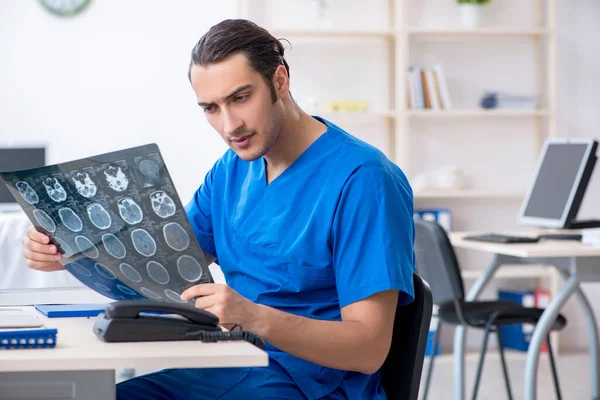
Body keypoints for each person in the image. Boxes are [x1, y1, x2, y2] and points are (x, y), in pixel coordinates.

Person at [21, 19, 415, 400]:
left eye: (241, 98)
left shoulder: (364, 179)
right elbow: (166, 260)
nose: (230, 125)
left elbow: (368, 350)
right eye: (210, 108)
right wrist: (70, 250)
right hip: (226, 362)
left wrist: (254, 316)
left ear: (280, 80)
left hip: (311, 386)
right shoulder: (231, 171)